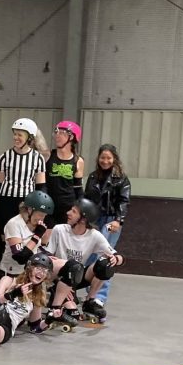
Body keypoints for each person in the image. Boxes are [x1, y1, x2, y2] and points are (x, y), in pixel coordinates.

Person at [42, 198, 126, 327]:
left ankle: (90, 302)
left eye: (73, 211)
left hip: (76, 276)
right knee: (73, 314)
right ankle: (55, 308)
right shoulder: (59, 229)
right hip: (58, 278)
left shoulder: (94, 235)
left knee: (105, 264)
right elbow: (48, 256)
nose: (68, 213)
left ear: (83, 219)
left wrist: (116, 259)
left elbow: (118, 257)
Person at [0, 118, 46, 264]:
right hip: (6, 200)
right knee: (6, 236)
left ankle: (24, 264)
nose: (16, 137)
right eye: (15, 134)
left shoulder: (38, 158)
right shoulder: (5, 156)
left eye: (20, 135)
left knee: (25, 234)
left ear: (29, 137)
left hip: (26, 202)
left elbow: (41, 186)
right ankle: (5, 267)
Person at [84, 144, 131, 309]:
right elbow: (87, 199)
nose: (105, 161)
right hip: (94, 221)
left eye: (109, 158)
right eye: (102, 157)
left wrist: (119, 220)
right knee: (90, 257)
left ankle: (99, 297)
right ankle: (89, 293)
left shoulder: (122, 179)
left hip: (111, 221)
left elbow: (124, 201)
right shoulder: (92, 177)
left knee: (105, 257)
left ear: (114, 159)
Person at [0, 190, 54, 279]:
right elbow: (20, 258)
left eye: (44, 215)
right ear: (30, 210)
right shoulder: (14, 224)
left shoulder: (38, 226)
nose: (42, 219)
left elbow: (39, 247)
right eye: (40, 214)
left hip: (29, 272)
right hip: (11, 273)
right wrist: (37, 236)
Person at [46, 120, 85, 226]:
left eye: (62, 133)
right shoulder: (48, 155)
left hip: (68, 207)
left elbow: (78, 188)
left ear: (71, 137)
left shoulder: (78, 161)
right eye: (56, 132)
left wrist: (81, 208)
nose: (57, 136)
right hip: (48, 205)